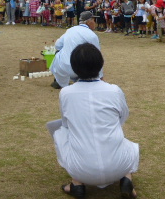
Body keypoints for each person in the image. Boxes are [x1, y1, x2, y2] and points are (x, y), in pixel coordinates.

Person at [47, 43, 139, 199]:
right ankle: (126, 179)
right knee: (125, 142)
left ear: (74, 68)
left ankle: (77, 184)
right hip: (120, 165)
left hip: (81, 170)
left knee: (61, 132)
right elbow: (123, 117)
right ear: (100, 64)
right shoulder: (114, 90)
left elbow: (66, 124)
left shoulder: (66, 93)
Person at [50, 11, 101, 89]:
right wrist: (100, 77)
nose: (95, 23)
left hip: (62, 68)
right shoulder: (92, 35)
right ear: (88, 22)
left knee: (58, 52)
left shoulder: (70, 30)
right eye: (94, 20)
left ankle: (58, 80)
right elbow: (97, 57)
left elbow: (57, 45)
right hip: (79, 69)